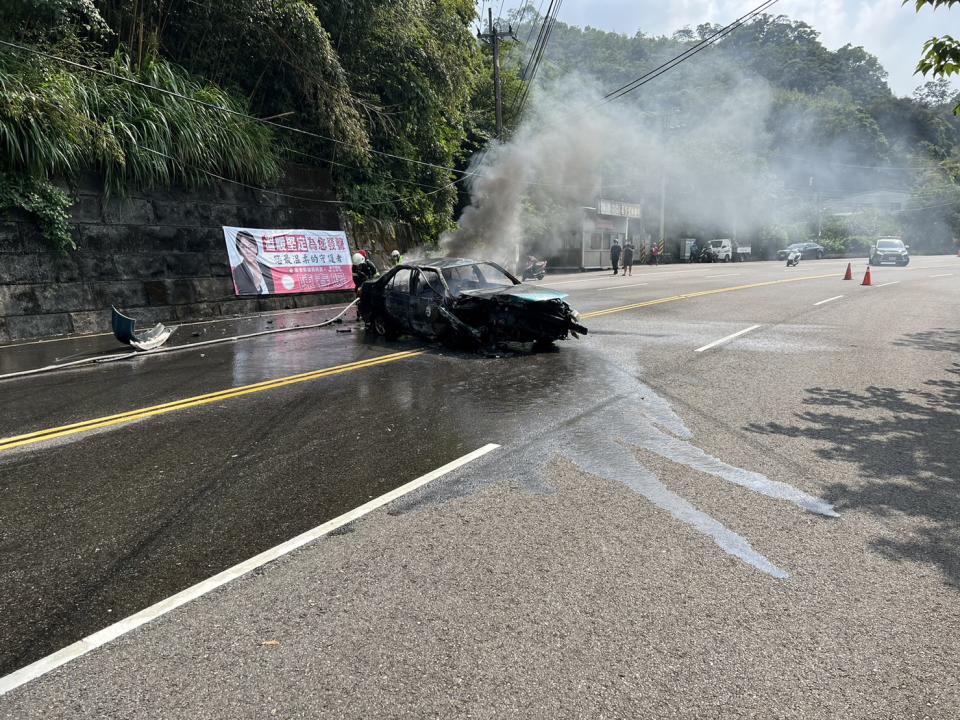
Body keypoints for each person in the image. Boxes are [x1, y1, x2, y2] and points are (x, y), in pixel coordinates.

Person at [231, 230, 275, 295]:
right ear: (240, 252)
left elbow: (272, 290)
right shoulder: (238, 270)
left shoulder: (265, 267)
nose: (248, 251)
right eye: (243, 247)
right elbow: (245, 295)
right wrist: (257, 285)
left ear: (256, 248)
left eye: (250, 246)